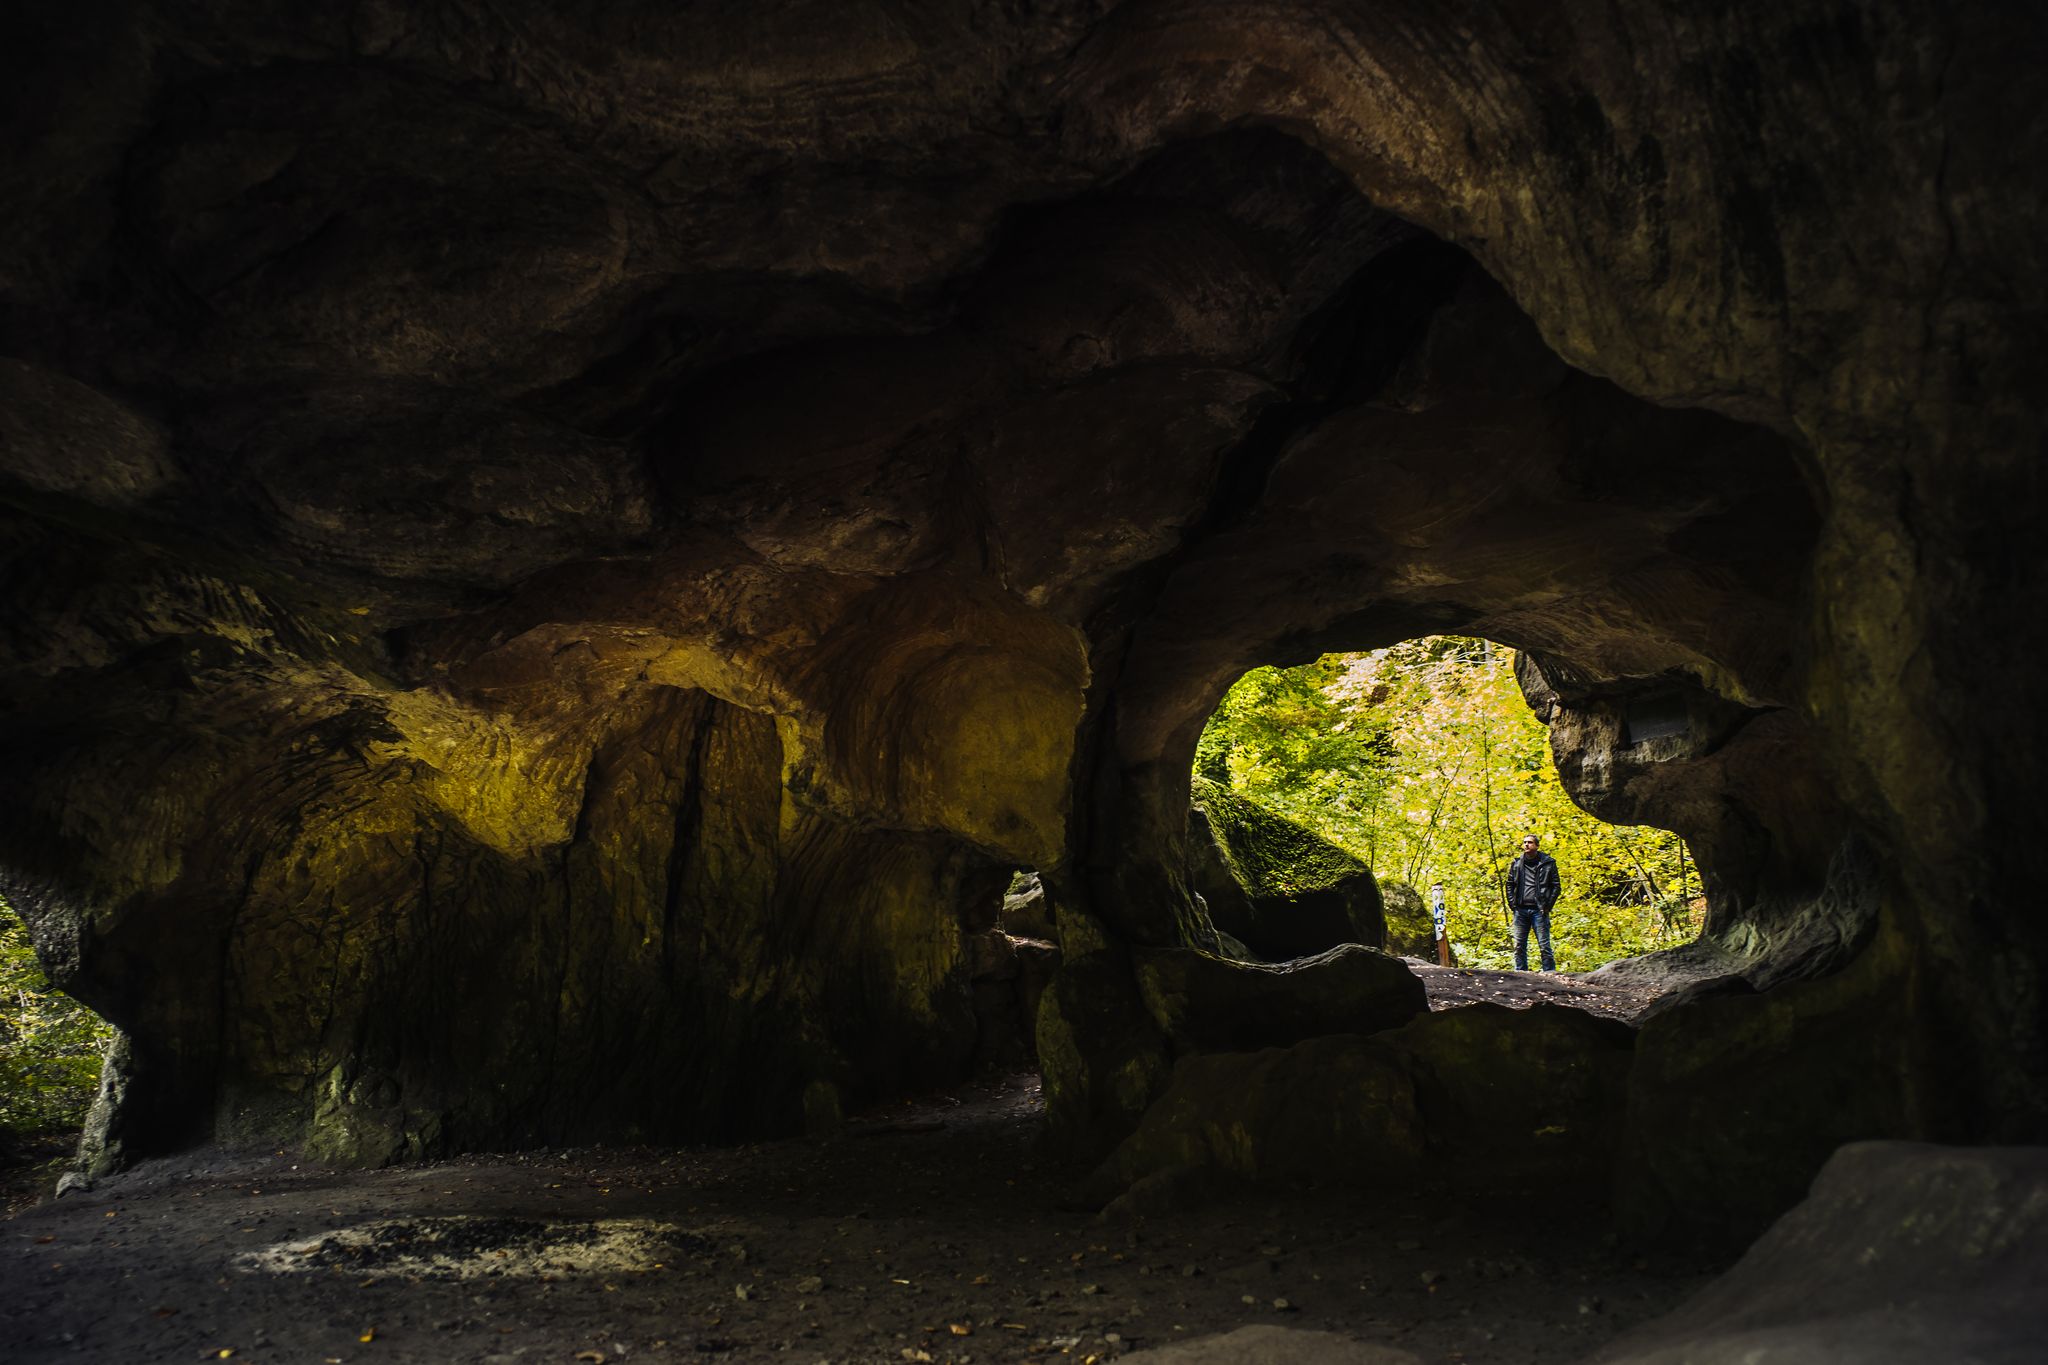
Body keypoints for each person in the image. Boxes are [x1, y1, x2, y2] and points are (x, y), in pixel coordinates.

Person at [1504, 834, 1561, 971]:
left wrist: (1547, 906)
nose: (1526, 845)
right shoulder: (1517, 863)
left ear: (1537, 845)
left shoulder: (1548, 863)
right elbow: (1509, 884)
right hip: (1520, 910)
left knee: (1544, 945)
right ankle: (1521, 973)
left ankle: (1550, 973)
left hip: (1539, 910)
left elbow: (1556, 886)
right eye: (1524, 842)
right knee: (1519, 945)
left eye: (1529, 842)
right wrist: (1512, 904)